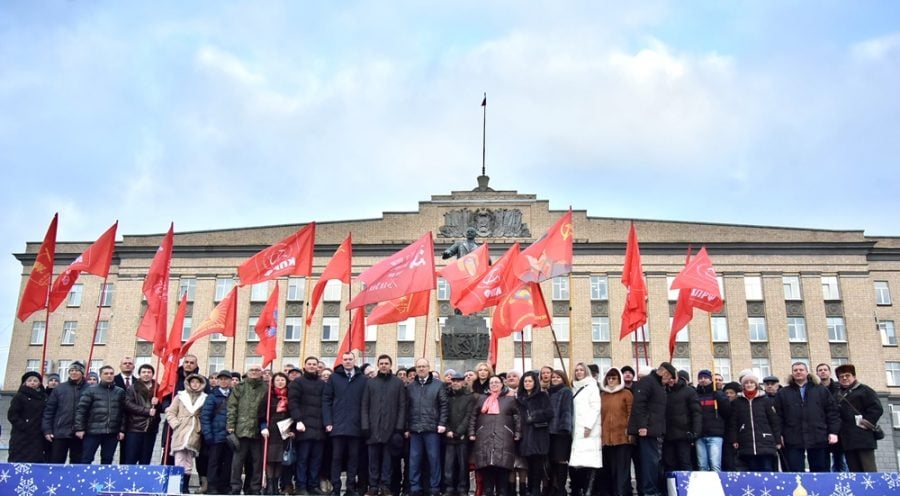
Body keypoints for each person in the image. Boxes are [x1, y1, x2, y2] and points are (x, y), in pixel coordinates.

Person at [774, 362, 841, 472]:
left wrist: (833, 432)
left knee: (820, 471)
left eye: (801, 369)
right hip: (792, 437)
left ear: (807, 372)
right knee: (793, 471)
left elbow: (832, 412)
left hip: (818, 436)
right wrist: (779, 434)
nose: (798, 372)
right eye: (795, 370)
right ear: (792, 373)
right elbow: (777, 416)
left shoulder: (820, 390)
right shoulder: (783, 393)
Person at [324, 352, 368, 496]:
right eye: (345, 359)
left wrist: (364, 424)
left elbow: (366, 403)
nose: (348, 361)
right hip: (337, 426)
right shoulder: (334, 377)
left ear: (354, 361)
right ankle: (336, 488)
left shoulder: (362, 379)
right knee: (336, 458)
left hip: (356, 427)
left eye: (350, 359)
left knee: (353, 459)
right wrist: (328, 421)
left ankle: (350, 488)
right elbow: (326, 400)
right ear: (341, 361)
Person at [362, 355, 407, 496]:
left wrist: (399, 427)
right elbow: (364, 406)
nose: (383, 365)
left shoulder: (398, 383)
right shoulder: (370, 383)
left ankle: (385, 486)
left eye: (386, 363)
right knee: (373, 461)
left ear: (391, 365)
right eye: (381, 363)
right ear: (378, 365)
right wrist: (365, 426)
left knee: (388, 461)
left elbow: (402, 406)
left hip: (391, 428)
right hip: (373, 428)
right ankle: (373, 486)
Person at [469, 376, 520, 496]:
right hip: (484, 439)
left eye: (497, 382)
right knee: (487, 474)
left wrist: (517, 433)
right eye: (491, 382)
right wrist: (472, 432)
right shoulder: (482, 398)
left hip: (504, 439)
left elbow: (517, 417)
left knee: (502, 474)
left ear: (502, 384)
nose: (494, 384)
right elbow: (473, 416)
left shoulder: (510, 399)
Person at [627, 362, 672, 496]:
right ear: (663, 372)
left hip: (655, 430)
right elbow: (639, 405)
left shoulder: (658, 385)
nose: (669, 380)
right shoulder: (647, 382)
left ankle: (651, 490)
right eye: (669, 377)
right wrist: (642, 426)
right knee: (649, 463)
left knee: (653, 462)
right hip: (647, 430)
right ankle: (649, 491)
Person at [405, 358, 449, 496]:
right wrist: (406, 427)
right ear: (416, 369)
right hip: (415, 430)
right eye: (419, 367)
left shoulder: (438, 385)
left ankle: (434, 488)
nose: (421, 369)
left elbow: (444, 405)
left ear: (429, 367)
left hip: (432, 429)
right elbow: (406, 408)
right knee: (414, 461)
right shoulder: (410, 387)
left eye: (424, 366)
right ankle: (415, 488)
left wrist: (442, 423)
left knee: (434, 460)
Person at [834, 364, 883, 472]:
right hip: (847, 439)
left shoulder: (864, 390)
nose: (845, 378)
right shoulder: (838, 394)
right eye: (841, 376)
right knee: (854, 472)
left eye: (848, 375)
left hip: (863, 438)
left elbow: (877, 408)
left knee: (868, 470)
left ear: (854, 376)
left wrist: (867, 422)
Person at [728, 371, 780, 471]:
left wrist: (777, 440)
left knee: (767, 469)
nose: (749, 385)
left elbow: (774, 421)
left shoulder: (765, 400)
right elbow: (733, 423)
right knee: (753, 470)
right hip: (746, 442)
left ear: (756, 384)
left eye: (751, 382)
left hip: (765, 441)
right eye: (746, 383)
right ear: (743, 386)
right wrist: (734, 439)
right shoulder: (737, 402)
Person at [289, 356, 327, 496]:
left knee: (316, 460)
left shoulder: (323, 384)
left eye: (314, 364)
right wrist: (298, 420)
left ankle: (313, 485)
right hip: (303, 427)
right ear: (304, 366)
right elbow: (293, 403)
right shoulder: (297, 383)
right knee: (302, 459)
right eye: (309, 364)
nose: (312, 366)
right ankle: (301, 486)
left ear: (318, 367)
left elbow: (326, 404)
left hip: (319, 428)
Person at [228, 364, 267, 495]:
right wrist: (230, 426)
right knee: (237, 461)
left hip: (258, 430)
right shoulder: (239, 387)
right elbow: (232, 407)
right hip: (241, 429)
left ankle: (255, 487)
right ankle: (235, 487)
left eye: (257, 370)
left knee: (257, 461)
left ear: (261, 373)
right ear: (247, 372)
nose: (254, 372)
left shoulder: (266, 388)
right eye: (252, 370)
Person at [74, 365, 125, 464]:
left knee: (107, 459)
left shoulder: (120, 392)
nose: (109, 376)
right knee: (86, 458)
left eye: (111, 373)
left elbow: (123, 413)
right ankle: (85, 479)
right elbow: (81, 410)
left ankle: (103, 479)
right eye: (106, 373)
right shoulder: (90, 390)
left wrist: (122, 430)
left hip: (112, 432)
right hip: (92, 432)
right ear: (101, 375)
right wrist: (79, 428)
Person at [168, 373, 208, 494]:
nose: (195, 384)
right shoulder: (180, 397)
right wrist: (176, 424)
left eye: (197, 382)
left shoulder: (204, 398)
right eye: (193, 382)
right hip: (181, 430)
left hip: (195, 431)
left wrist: (200, 427)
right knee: (179, 459)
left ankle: (185, 486)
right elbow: (171, 412)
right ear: (188, 383)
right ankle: (177, 486)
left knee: (189, 460)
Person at [43, 361, 87, 463]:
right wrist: (47, 430)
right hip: (60, 433)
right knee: (56, 463)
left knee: (77, 464)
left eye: (76, 370)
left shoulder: (89, 389)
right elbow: (49, 411)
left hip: (80, 434)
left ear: (82, 373)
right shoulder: (59, 388)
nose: (73, 373)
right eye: (71, 370)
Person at [517, 371, 552, 496]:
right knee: (529, 465)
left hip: (538, 435)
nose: (527, 383)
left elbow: (549, 413)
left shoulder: (542, 396)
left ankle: (536, 490)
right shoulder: (520, 398)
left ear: (535, 382)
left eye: (530, 381)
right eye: (525, 381)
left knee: (538, 465)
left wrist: (534, 416)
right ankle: (530, 490)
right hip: (525, 435)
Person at [568, 363, 601, 496]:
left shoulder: (591, 386)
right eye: (576, 370)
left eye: (581, 370)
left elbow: (595, 407)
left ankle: (589, 490)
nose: (579, 372)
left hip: (588, 430)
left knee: (589, 461)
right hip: (576, 429)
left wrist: (588, 425)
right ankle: (578, 489)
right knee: (577, 463)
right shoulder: (574, 388)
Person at [600, 368, 632, 496]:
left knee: (622, 470)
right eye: (609, 378)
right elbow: (600, 416)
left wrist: (629, 432)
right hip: (607, 439)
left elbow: (631, 413)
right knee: (610, 470)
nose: (611, 381)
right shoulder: (603, 395)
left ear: (619, 379)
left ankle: (622, 493)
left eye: (614, 378)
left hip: (622, 438)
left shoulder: (626, 394)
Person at [662, 369, 701, 474]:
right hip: (667, 434)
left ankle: (687, 488)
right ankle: (670, 489)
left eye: (672, 377)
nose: (670, 380)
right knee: (669, 464)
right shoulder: (663, 392)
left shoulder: (689, 391)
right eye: (668, 378)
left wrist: (695, 432)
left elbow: (696, 413)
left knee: (685, 462)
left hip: (684, 434)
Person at [202, 370, 234, 495]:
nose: (224, 381)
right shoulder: (212, 396)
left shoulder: (234, 395)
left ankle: (225, 485)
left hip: (230, 435)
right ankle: (212, 486)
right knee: (214, 462)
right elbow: (205, 416)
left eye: (226, 379)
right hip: (215, 435)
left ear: (231, 381)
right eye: (221, 379)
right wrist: (208, 434)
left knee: (228, 462)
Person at [260, 372, 293, 494]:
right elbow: (261, 413)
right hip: (271, 431)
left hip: (284, 431)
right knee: (270, 458)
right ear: (273, 382)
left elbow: (294, 413)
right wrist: (263, 426)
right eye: (277, 380)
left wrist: (292, 430)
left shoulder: (290, 396)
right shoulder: (268, 396)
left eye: (282, 380)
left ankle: (276, 484)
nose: (280, 382)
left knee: (280, 459)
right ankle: (269, 485)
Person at [122, 363, 161, 464]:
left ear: (152, 374)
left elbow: (162, 407)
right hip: (135, 428)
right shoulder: (133, 388)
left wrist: (158, 403)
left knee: (145, 459)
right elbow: (128, 404)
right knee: (131, 459)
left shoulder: (158, 388)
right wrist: (146, 411)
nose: (146, 374)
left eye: (149, 372)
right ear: (139, 374)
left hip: (151, 429)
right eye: (144, 372)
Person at [444, 371, 475, 496]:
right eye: (454, 381)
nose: (456, 383)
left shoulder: (469, 397)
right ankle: (449, 488)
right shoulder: (447, 396)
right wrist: (448, 430)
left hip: (462, 436)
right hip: (449, 436)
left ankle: (463, 488)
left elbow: (469, 416)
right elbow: (443, 414)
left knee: (463, 465)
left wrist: (460, 431)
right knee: (448, 465)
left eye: (459, 380)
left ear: (463, 382)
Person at [694, 369, 730, 472]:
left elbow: (727, 412)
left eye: (705, 378)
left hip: (715, 434)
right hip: (700, 434)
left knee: (715, 464)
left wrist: (720, 398)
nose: (703, 380)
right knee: (702, 465)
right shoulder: (695, 395)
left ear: (710, 380)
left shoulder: (718, 394)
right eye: (700, 378)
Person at [8, 370, 47, 462]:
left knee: (35, 459)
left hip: (37, 435)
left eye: (35, 381)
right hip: (21, 434)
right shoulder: (19, 396)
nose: (32, 383)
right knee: (18, 458)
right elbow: (12, 415)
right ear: (25, 383)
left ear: (39, 383)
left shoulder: (43, 397)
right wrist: (24, 425)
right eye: (29, 380)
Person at [816, 363, 847, 472]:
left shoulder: (839, 387)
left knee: (840, 459)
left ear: (829, 372)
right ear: (817, 373)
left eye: (825, 369)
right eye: (820, 370)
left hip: (840, 427)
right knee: (823, 459)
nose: (823, 371)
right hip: (822, 428)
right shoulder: (815, 389)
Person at [546, 370, 573, 496]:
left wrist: (564, 428)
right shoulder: (549, 392)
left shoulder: (566, 391)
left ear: (563, 378)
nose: (555, 379)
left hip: (561, 432)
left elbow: (567, 410)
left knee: (561, 460)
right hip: (549, 432)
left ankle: (561, 488)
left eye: (558, 377)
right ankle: (553, 486)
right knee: (551, 460)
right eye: (553, 377)